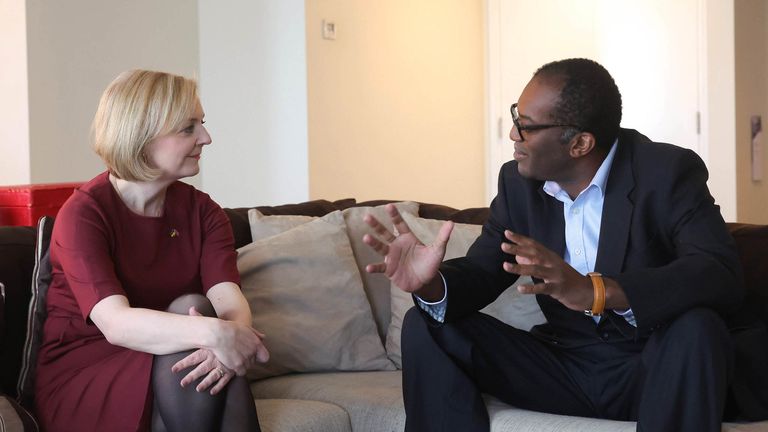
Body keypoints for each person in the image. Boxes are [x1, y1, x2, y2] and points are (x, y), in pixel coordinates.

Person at [363, 58, 756, 431]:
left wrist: (597, 291)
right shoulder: (519, 184)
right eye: (517, 116)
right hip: (566, 366)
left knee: (697, 328)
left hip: (651, 365)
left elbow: (717, 272)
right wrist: (431, 285)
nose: (513, 134)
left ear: (580, 143)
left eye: (527, 126)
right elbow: (485, 270)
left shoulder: (664, 173)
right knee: (428, 324)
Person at [34, 70, 269, 432]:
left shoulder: (204, 212)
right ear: (141, 136)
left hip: (172, 361)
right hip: (90, 370)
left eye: (202, 124)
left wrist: (231, 343)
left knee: (194, 312)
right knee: (192, 332)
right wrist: (219, 336)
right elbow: (116, 323)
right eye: (188, 128)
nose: (206, 138)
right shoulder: (84, 214)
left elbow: (228, 299)